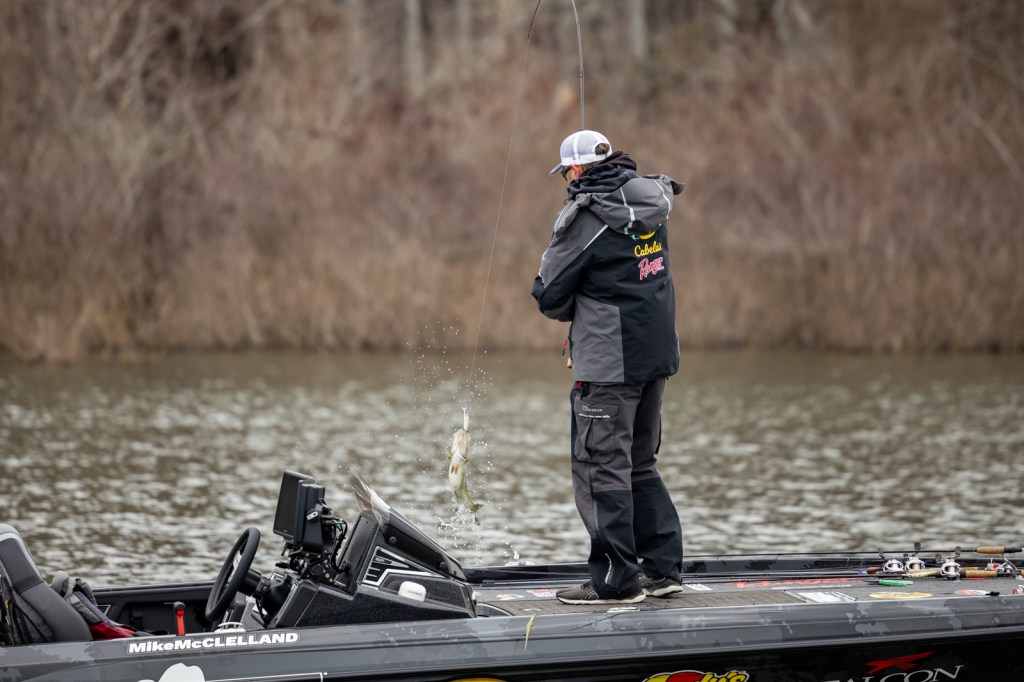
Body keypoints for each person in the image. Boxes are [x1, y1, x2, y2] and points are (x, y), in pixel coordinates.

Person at [531, 129, 686, 605]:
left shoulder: (586, 216)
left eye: (567, 173)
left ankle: (617, 583)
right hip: (653, 356)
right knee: (639, 463)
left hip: (607, 365)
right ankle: (662, 570)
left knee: (601, 470)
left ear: (577, 170)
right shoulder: (651, 200)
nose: (567, 181)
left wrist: (576, 307)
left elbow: (548, 294)